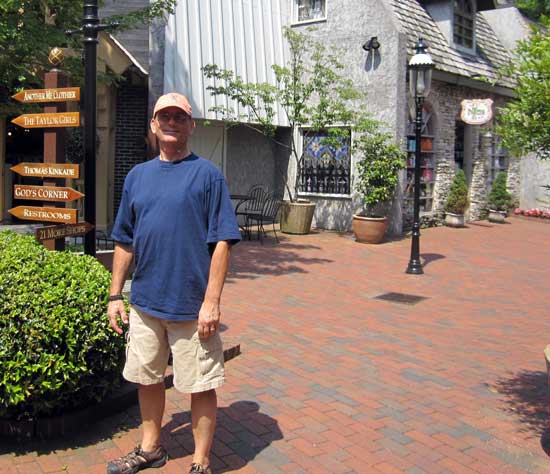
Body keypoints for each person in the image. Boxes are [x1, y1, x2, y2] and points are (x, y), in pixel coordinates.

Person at [106, 92, 241, 474]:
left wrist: (211, 301)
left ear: (191, 126)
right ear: (153, 124)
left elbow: (222, 244)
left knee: (200, 384)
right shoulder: (137, 176)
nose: (171, 123)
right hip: (145, 301)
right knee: (146, 378)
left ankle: (200, 460)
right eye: (164, 117)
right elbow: (123, 239)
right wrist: (116, 294)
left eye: (179, 118)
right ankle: (151, 449)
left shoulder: (208, 176)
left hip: (190, 305)